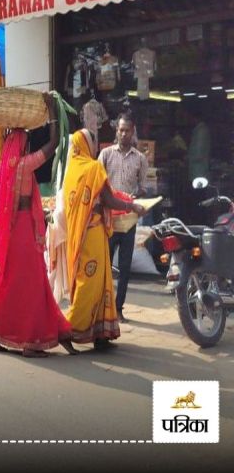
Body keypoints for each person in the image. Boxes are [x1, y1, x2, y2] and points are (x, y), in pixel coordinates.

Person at [0, 95, 78, 357]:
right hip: (24, 228)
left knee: (15, 283)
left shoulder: (6, 167)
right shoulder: (25, 165)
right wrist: (52, 112)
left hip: (12, 232)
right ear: (22, 147)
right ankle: (29, 339)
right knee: (32, 284)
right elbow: (54, 143)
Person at [64, 128, 146, 350]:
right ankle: (68, 329)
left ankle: (101, 334)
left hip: (84, 234)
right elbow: (108, 199)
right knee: (89, 283)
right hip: (91, 234)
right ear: (86, 145)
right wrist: (132, 206)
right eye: (93, 141)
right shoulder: (92, 168)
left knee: (101, 281)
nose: (95, 144)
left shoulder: (72, 170)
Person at [98, 113, 148, 322]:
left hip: (128, 220)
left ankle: (118, 309)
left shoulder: (140, 159)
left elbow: (143, 188)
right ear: (116, 131)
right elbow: (97, 185)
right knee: (104, 265)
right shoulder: (105, 155)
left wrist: (137, 197)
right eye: (121, 129)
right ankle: (103, 307)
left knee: (125, 268)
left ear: (132, 131)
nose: (124, 133)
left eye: (127, 130)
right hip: (108, 218)